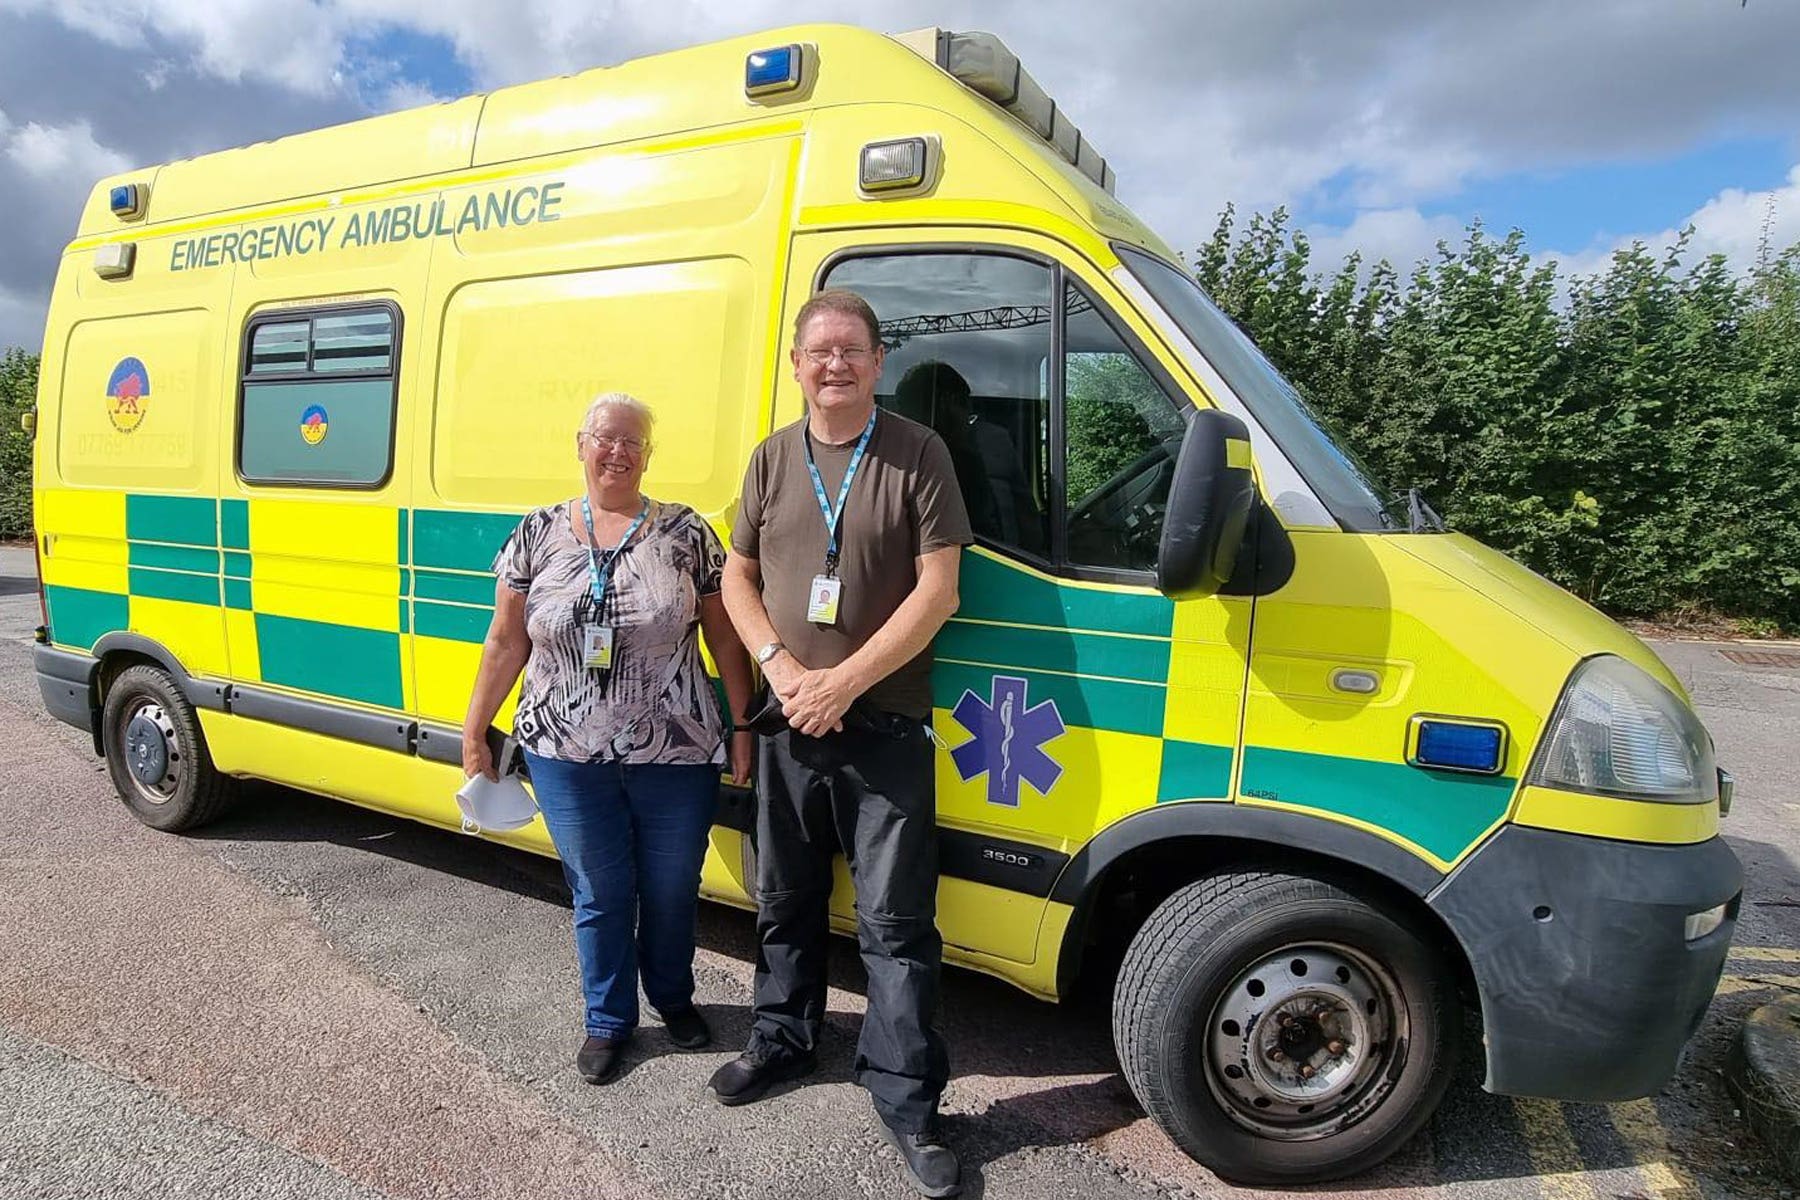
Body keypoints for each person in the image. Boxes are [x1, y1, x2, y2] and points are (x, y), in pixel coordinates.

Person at [710, 290, 973, 1198]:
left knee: (897, 927)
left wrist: (842, 683)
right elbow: (735, 574)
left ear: (878, 360)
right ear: (796, 363)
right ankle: (780, 1042)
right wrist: (782, 669)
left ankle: (906, 1100)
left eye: (851, 351)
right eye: (819, 351)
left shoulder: (918, 454)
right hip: (788, 721)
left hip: (884, 729)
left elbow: (938, 590)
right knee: (782, 899)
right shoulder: (772, 459)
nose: (835, 365)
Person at [462, 392, 755, 1085]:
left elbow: (725, 637)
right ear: (581, 444)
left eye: (633, 442)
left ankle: (674, 999)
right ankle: (608, 1020)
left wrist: (743, 726)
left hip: (676, 750)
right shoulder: (537, 532)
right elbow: (505, 640)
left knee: (672, 884)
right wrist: (476, 728)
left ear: (649, 455)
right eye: (605, 438)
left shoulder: (686, 532)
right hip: (565, 752)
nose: (617, 452)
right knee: (600, 888)